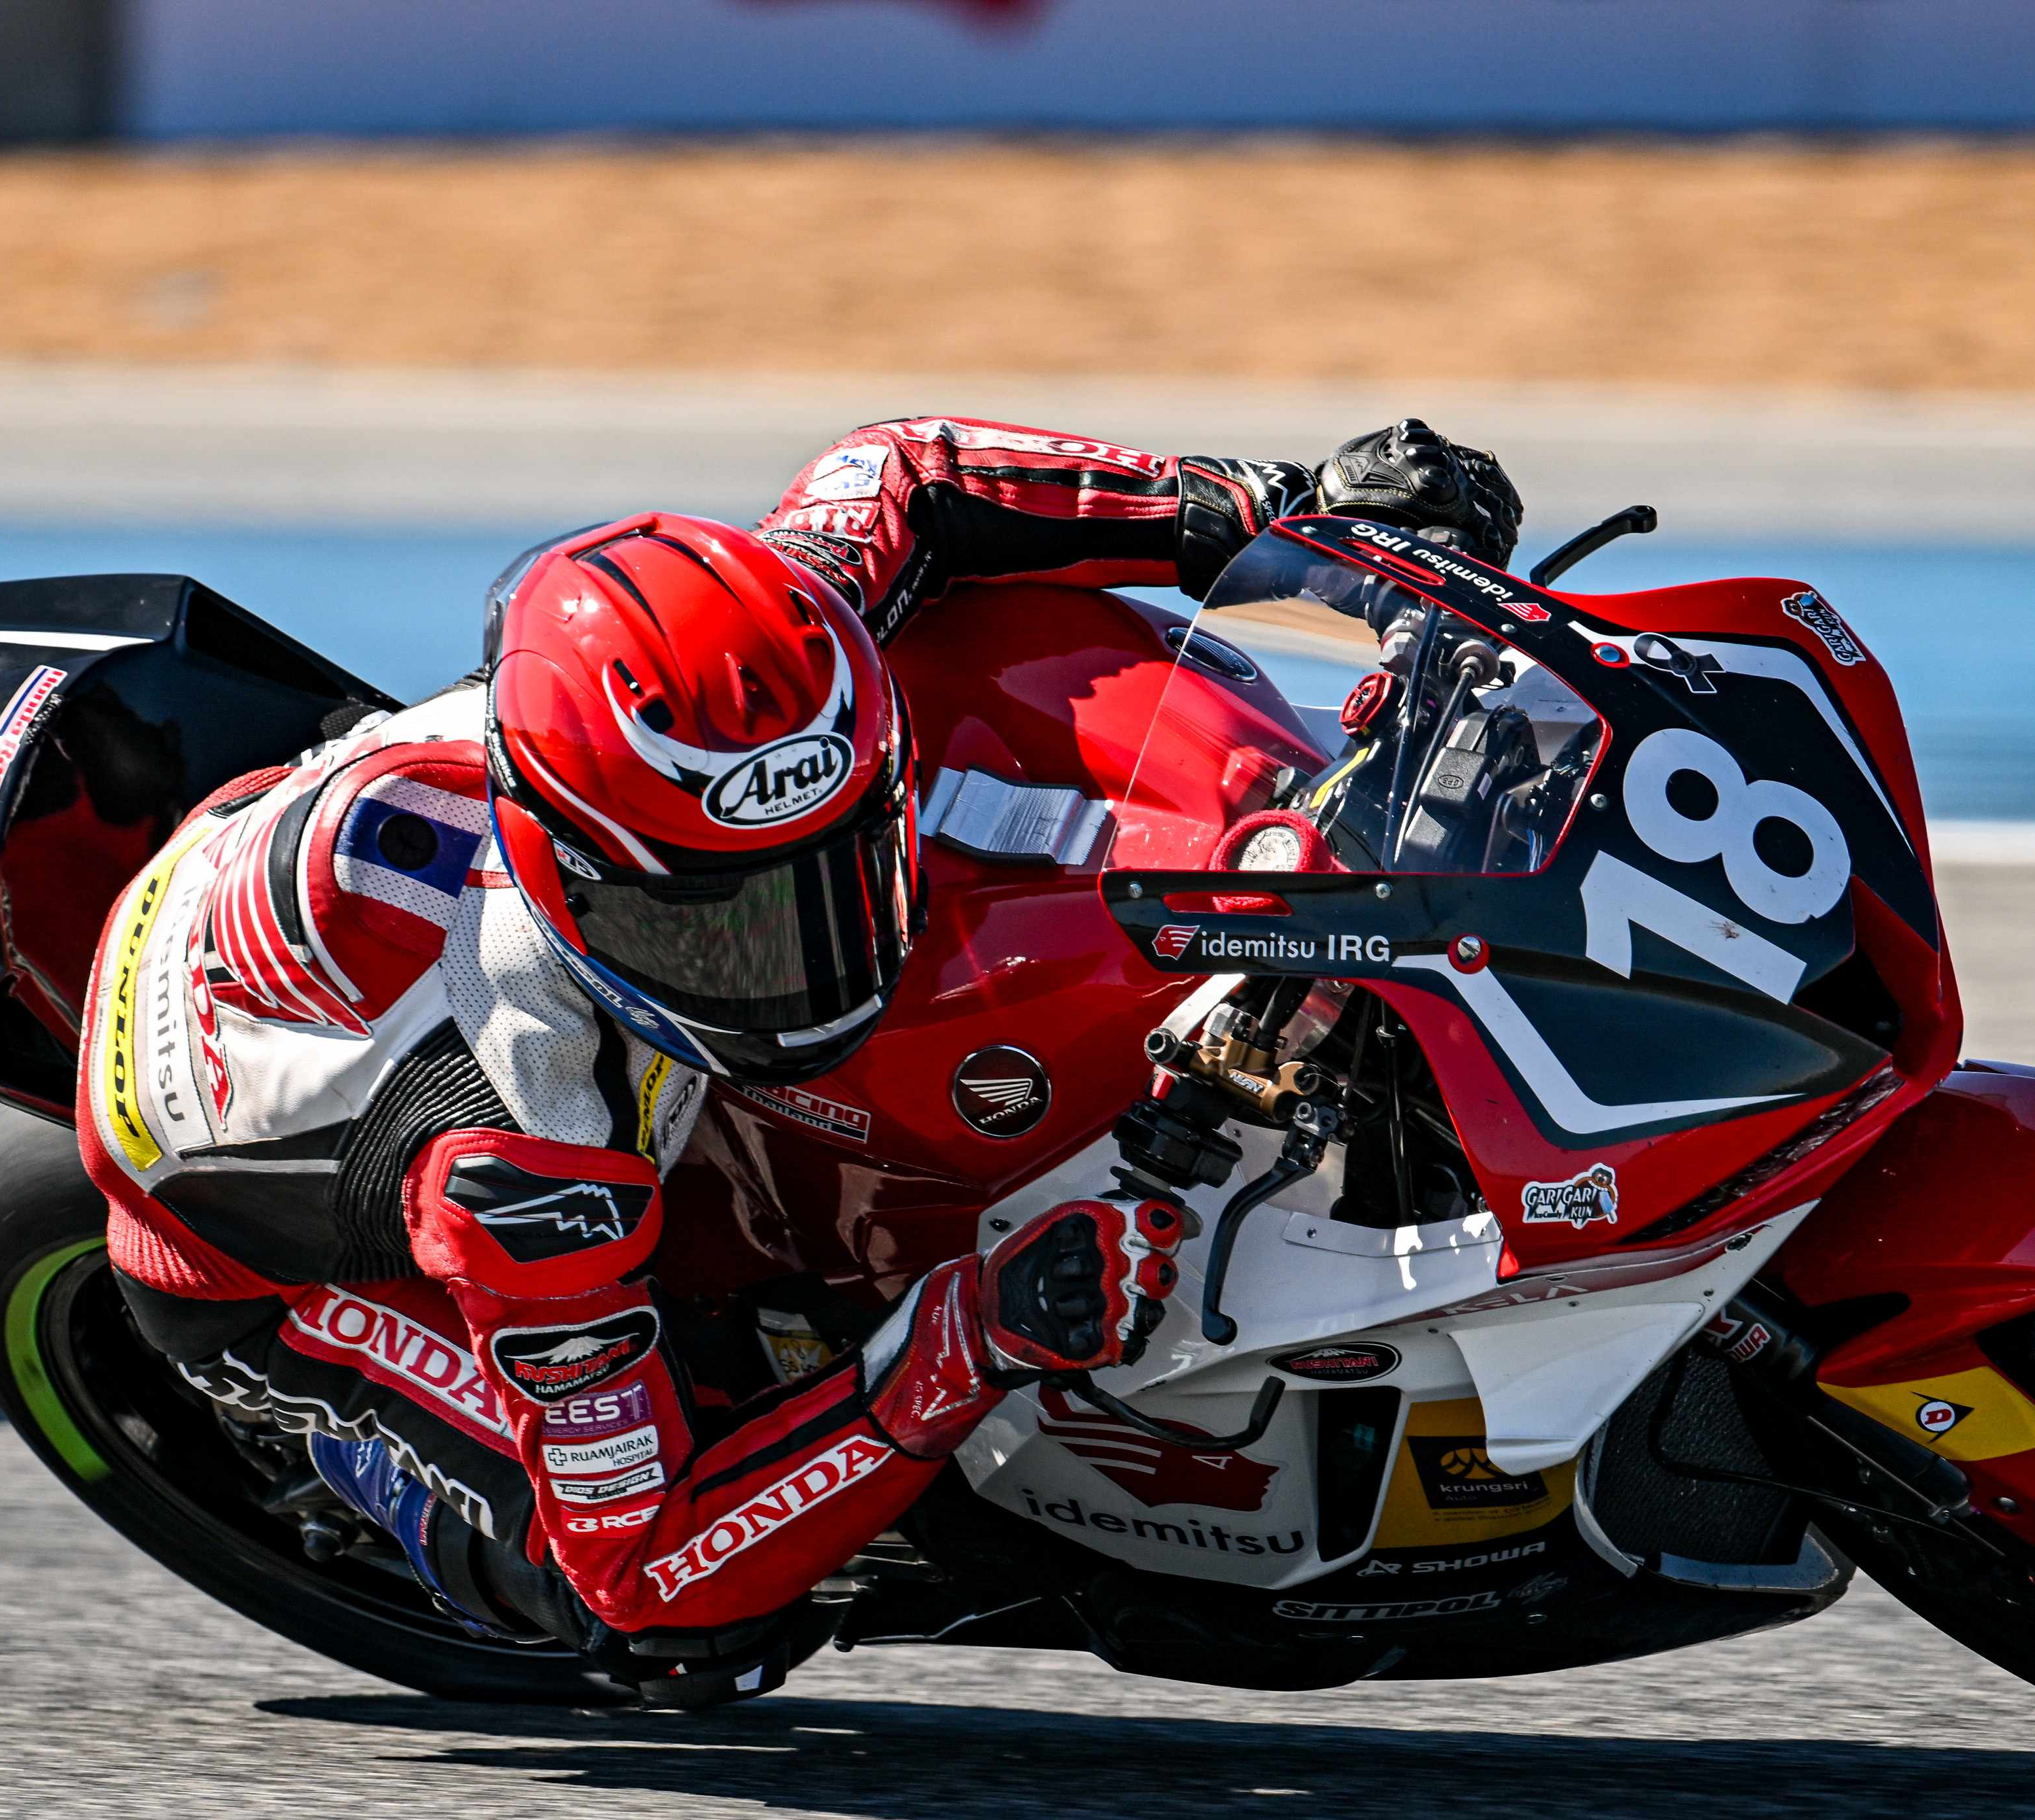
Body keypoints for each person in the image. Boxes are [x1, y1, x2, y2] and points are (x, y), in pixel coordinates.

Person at [78, 417, 1522, 1705]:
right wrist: (971, 1333)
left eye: (827, 875)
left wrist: (1291, 511)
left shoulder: (764, 669)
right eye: (722, 927)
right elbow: (646, 1565)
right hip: (242, 1227)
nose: (798, 957)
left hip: (346, 852)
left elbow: (903, 473)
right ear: (572, 883)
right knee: (679, 1639)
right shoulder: (523, 1146)